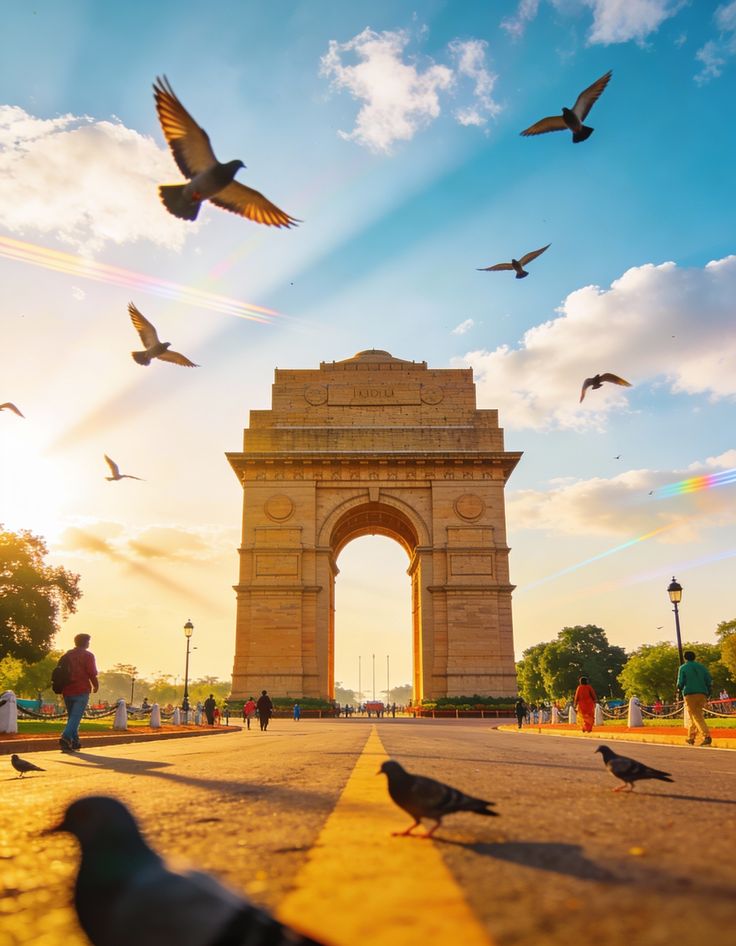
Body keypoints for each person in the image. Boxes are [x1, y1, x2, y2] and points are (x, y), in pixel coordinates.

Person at [60, 633, 99, 753]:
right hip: (81, 689)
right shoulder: (88, 655)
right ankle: (65, 737)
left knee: (72, 717)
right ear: (85, 642)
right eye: (88, 641)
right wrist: (96, 685)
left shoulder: (67, 655)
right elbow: (91, 673)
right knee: (75, 717)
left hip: (67, 690)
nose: (89, 643)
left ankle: (75, 741)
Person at [677, 650, 713, 746]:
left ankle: (706, 736)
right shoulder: (702, 667)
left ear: (685, 658)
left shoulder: (683, 667)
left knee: (696, 716)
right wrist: (709, 691)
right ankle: (691, 737)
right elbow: (709, 680)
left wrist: (678, 691)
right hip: (702, 693)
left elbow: (680, 683)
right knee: (695, 715)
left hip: (690, 693)